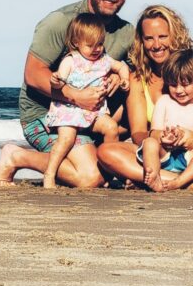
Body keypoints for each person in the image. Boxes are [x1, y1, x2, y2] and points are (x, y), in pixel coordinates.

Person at [0, 0, 135, 188]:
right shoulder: (61, 21)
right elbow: (33, 73)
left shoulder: (126, 32)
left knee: (101, 171)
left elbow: (136, 70)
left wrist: (119, 76)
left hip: (92, 119)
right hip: (47, 116)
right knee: (89, 178)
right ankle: (16, 156)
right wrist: (75, 95)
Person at [97, 5, 193, 190]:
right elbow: (138, 134)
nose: (156, 45)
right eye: (149, 38)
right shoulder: (137, 78)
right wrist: (160, 139)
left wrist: (191, 138)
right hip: (160, 155)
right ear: (141, 42)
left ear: (176, 35)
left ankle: (164, 181)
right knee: (106, 152)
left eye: (163, 36)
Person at [43, 13, 130, 189]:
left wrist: (124, 78)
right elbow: (59, 81)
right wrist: (56, 81)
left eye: (100, 43)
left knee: (112, 128)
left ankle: (112, 170)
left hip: (94, 111)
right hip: (70, 109)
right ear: (76, 42)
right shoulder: (71, 60)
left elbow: (121, 66)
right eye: (90, 45)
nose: (96, 49)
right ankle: (49, 174)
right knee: (66, 138)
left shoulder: (104, 60)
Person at [137, 49, 193, 192]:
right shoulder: (164, 101)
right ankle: (154, 176)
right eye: (173, 85)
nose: (179, 90)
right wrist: (164, 138)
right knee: (149, 142)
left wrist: (183, 137)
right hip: (163, 154)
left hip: (187, 158)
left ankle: (179, 182)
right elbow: (154, 133)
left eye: (185, 84)